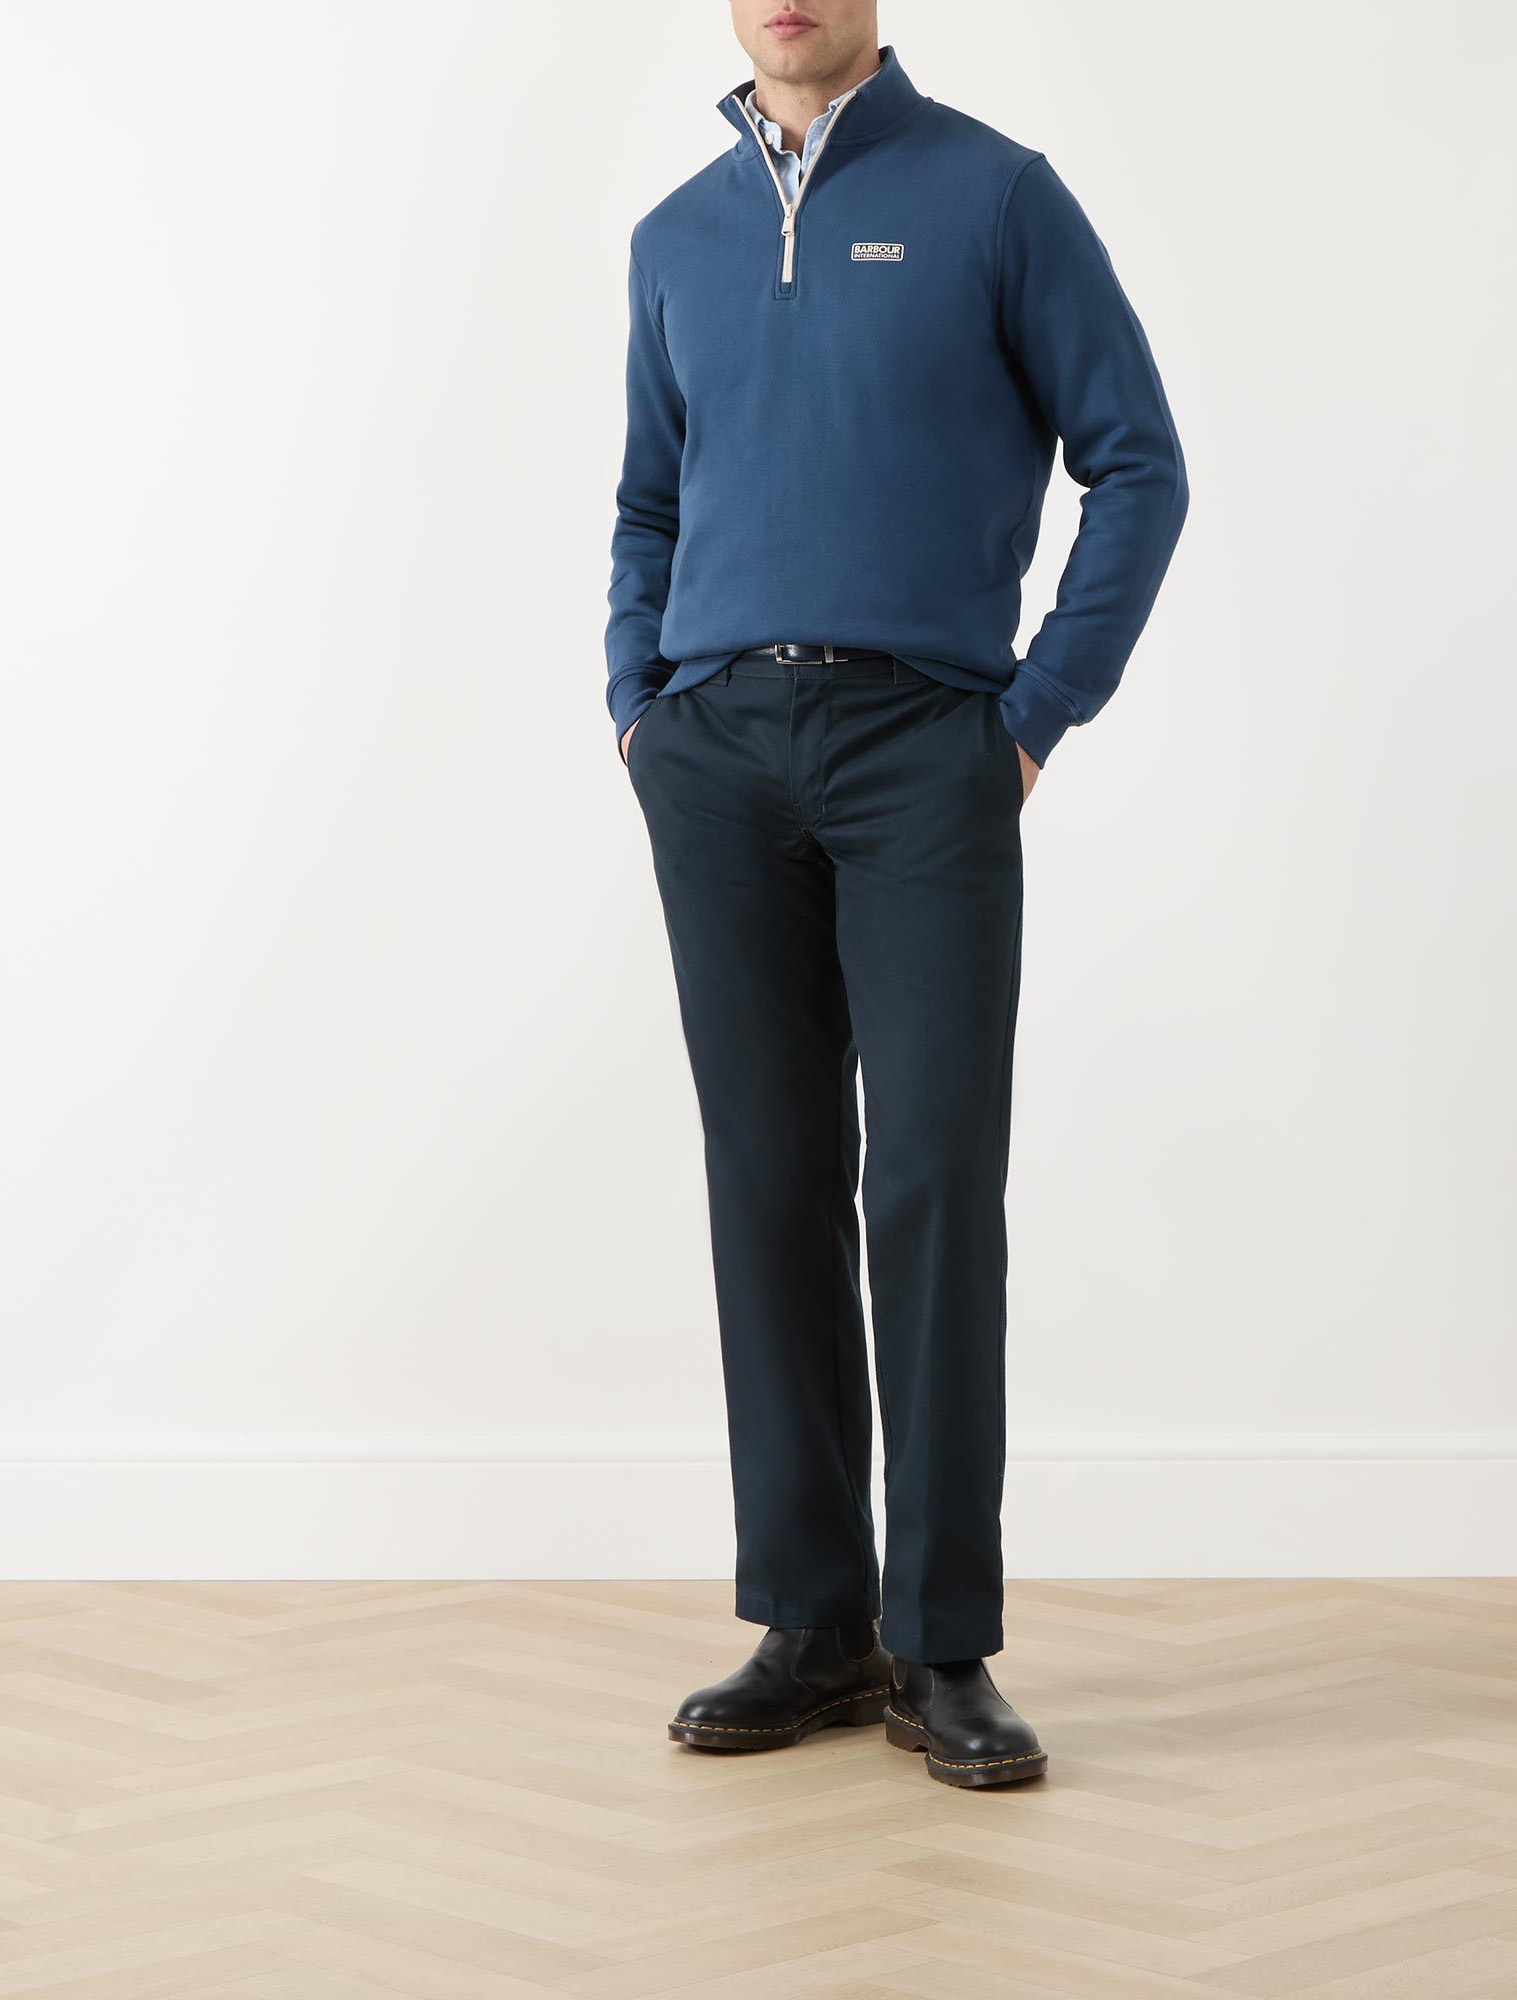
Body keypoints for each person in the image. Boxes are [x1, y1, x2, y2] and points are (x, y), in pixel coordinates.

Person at [605, 0, 1187, 1788]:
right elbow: (647, 505)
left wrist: (1032, 717)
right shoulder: (674, 236)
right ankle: (814, 1620)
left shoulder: (995, 195)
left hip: (925, 747)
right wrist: (640, 703)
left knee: (930, 1183)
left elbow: (1138, 463)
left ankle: (941, 1644)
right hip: (717, 755)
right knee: (769, 1180)